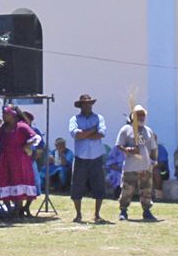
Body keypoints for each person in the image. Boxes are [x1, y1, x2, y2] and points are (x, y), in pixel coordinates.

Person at [114, 105, 160, 221]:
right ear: (133, 116)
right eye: (139, 115)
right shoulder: (126, 129)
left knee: (146, 190)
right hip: (131, 167)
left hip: (145, 166)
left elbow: (153, 148)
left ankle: (146, 211)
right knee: (127, 190)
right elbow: (119, 145)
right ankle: (123, 211)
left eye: (143, 115)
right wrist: (127, 150)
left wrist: (153, 161)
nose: (141, 117)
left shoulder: (148, 130)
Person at [67, 94, 108, 223]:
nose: (87, 105)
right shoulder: (74, 119)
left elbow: (101, 134)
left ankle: (97, 214)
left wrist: (84, 133)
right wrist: (91, 130)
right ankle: (78, 214)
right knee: (77, 186)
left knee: (99, 185)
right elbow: (76, 134)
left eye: (89, 103)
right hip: (81, 157)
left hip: (96, 157)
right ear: (80, 105)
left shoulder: (99, 117)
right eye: (84, 104)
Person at [0, 105, 39, 218]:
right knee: (5, 182)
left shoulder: (21, 126)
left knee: (18, 183)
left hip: (19, 160)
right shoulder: (3, 128)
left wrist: (26, 145)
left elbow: (36, 137)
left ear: (12, 115)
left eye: (6, 114)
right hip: (5, 160)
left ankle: (18, 211)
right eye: (3, 114)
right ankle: (10, 210)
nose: (3, 116)